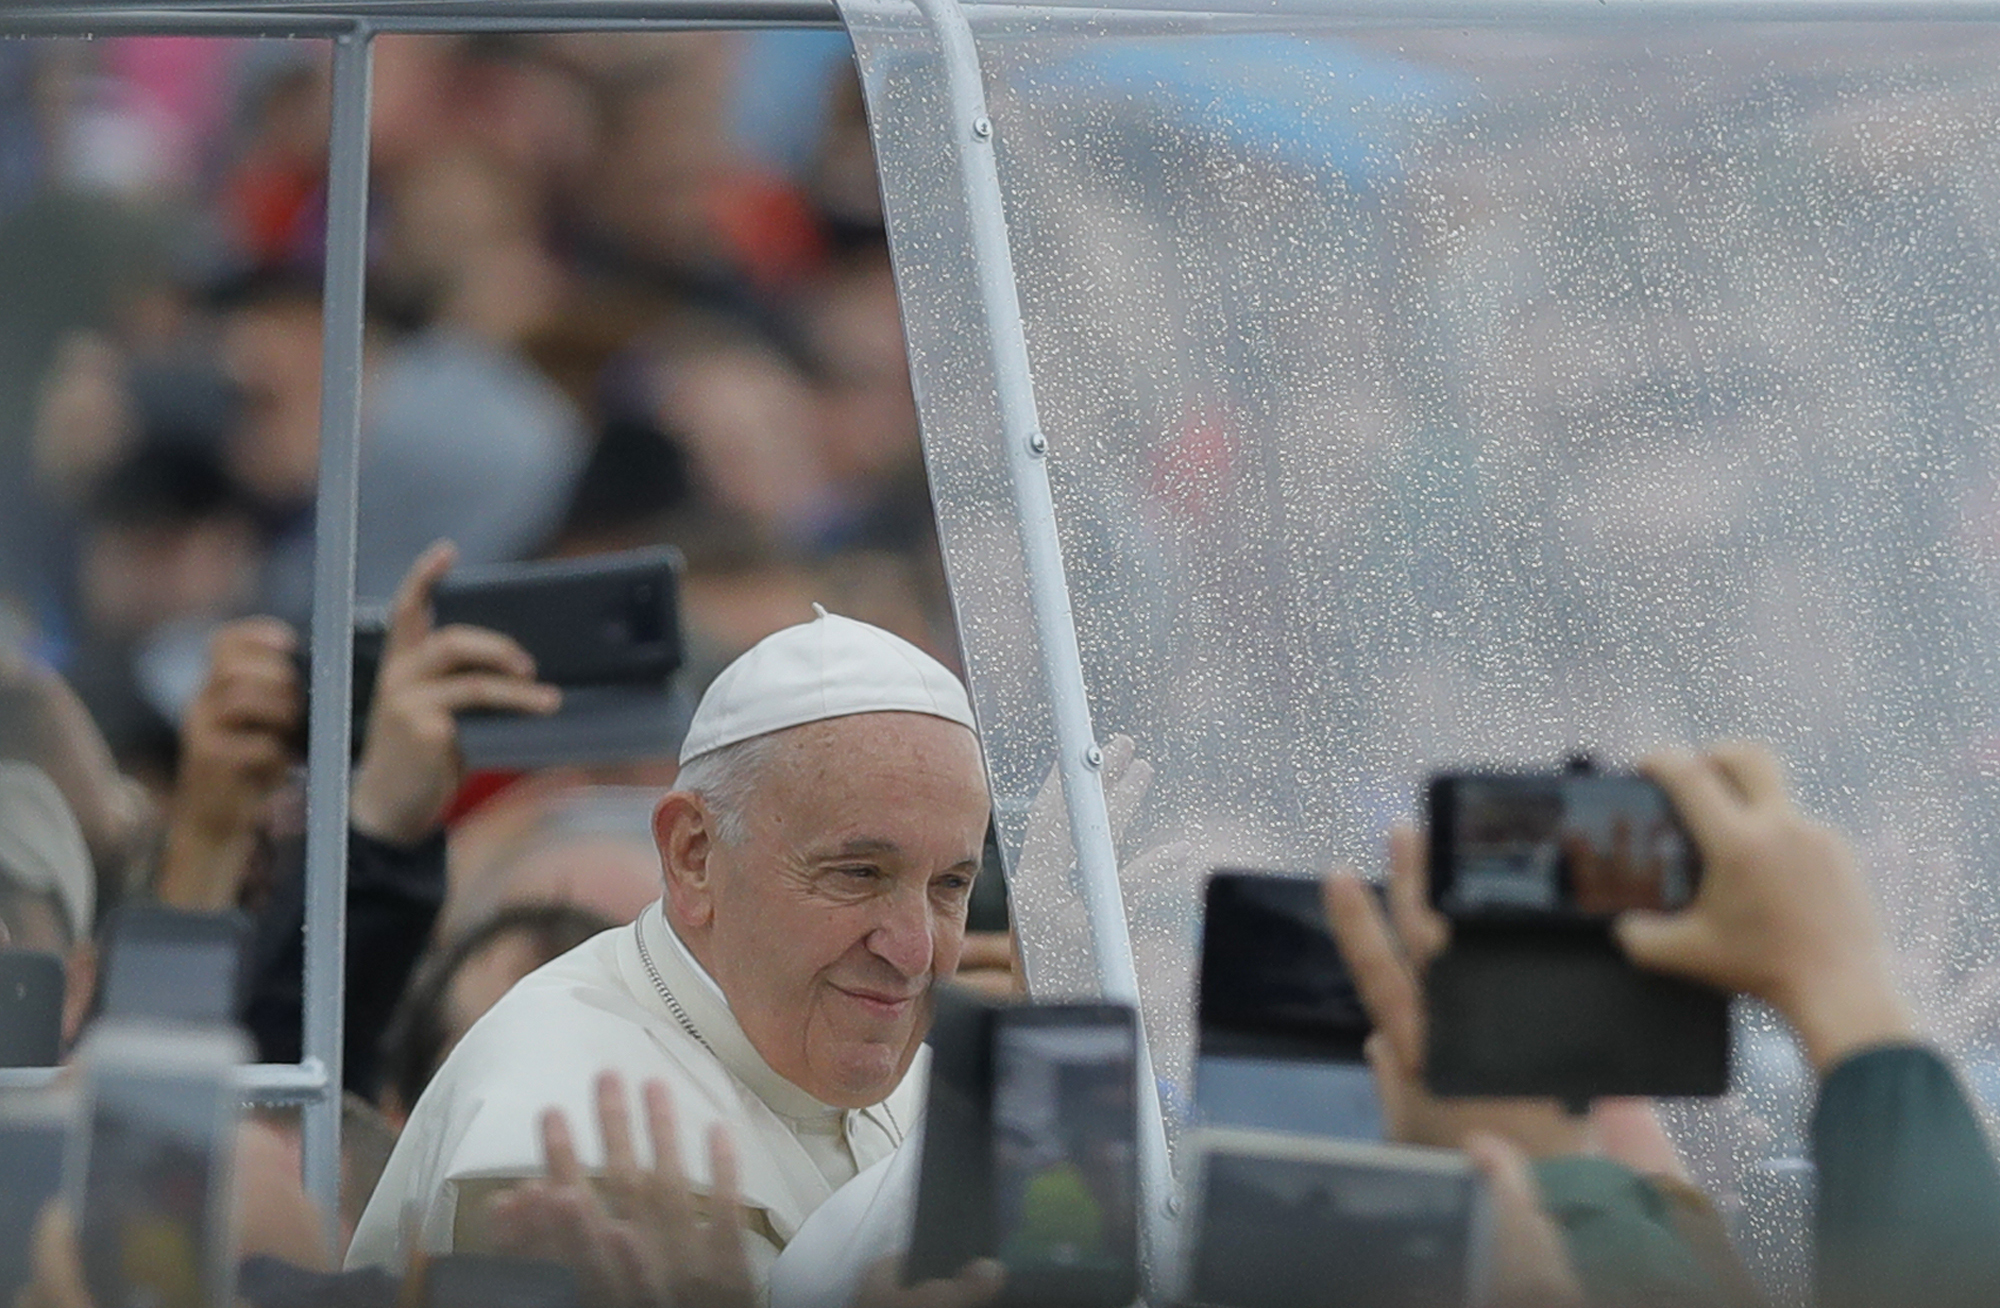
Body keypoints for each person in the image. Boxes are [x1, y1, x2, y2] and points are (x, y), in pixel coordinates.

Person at [346, 608, 992, 1288]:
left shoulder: (932, 1083)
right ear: (694, 855)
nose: (916, 950)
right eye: (859, 874)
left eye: (951, 885)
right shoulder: (552, 1134)